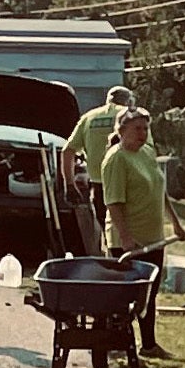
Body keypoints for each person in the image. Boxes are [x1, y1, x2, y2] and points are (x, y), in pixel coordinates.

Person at [97, 109, 183, 359]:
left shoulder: (147, 153)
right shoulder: (116, 159)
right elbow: (113, 202)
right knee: (127, 296)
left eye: (146, 128)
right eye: (137, 129)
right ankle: (115, 344)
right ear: (121, 130)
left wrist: (175, 223)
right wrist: (125, 238)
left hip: (154, 236)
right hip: (129, 241)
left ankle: (149, 345)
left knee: (150, 294)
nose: (143, 134)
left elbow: (160, 189)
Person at [62, 84, 129, 253]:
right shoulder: (131, 117)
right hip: (127, 185)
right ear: (128, 102)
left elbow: (68, 151)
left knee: (106, 229)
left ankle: (110, 259)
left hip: (98, 185)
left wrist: (70, 184)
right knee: (128, 229)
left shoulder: (89, 118)